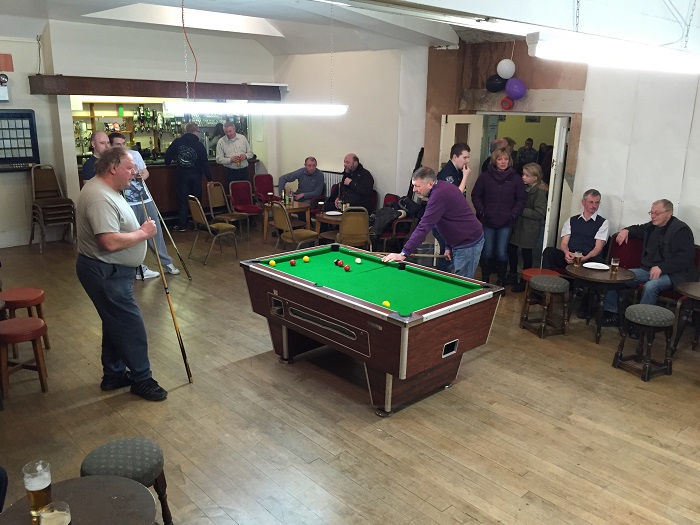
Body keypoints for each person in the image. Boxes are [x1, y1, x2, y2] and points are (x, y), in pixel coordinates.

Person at [75, 147, 168, 401]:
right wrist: (143, 234)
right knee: (130, 326)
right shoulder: (99, 197)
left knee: (114, 322)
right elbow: (108, 242)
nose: (135, 172)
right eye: (129, 168)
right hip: (105, 271)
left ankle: (114, 375)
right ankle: (142, 379)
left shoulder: (107, 190)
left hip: (111, 271)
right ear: (113, 168)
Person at [601, 199, 698, 328]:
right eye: (651, 212)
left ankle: (640, 325)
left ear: (669, 213)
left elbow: (685, 258)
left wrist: (662, 267)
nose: (653, 216)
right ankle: (612, 314)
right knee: (617, 276)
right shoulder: (652, 226)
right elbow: (638, 229)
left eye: (657, 213)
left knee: (651, 286)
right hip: (649, 270)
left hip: (675, 274)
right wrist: (626, 230)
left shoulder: (681, 230)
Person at [382, 167, 484, 278]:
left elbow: (424, 226)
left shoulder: (438, 195)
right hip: (460, 241)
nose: (414, 190)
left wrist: (403, 253)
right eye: (413, 185)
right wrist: (448, 246)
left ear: (430, 184)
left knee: (463, 282)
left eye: (417, 186)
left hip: (468, 242)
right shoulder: (441, 187)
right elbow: (449, 219)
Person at [109, 133, 179, 278]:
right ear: (111, 146)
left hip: (145, 198)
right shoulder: (111, 161)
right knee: (133, 235)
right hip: (126, 202)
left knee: (155, 231)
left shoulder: (134, 155)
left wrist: (142, 175)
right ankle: (138, 267)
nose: (122, 147)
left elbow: (146, 172)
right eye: (118, 144)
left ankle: (166, 262)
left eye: (123, 144)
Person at [471, 146, 527, 286]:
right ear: (494, 160)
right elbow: (476, 195)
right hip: (488, 220)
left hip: (506, 221)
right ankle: (485, 279)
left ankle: (501, 281)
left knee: (501, 252)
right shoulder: (485, 177)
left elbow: (521, 199)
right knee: (487, 251)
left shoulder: (515, 179)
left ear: (510, 161)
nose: (503, 162)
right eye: (500, 159)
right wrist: (482, 211)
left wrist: (513, 213)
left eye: (506, 159)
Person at [541, 189, 609, 270]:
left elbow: (598, 248)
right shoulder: (571, 220)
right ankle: (547, 277)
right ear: (583, 202)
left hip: (587, 258)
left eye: (597, 202)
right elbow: (564, 243)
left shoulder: (603, 222)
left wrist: (584, 258)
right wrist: (567, 253)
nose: (594, 205)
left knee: (598, 261)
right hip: (570, 255)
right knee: (549, 251)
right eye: (591, 202)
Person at [508, 163, 548, 292]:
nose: (523, 177)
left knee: (527, 254)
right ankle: (512, 274)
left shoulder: (540, 192)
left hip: (530, 228)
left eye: (526, 175)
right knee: (511, 249)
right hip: (519, 225)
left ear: (535, 177)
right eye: (523, 174)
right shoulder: (525, 188)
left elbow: (539, 212)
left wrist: (520, 210)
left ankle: (525, 281)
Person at [164, 121, 212, 231]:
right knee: (196, 201)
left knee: (183, 201)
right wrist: (209, 178)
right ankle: (198, 224)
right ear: (195, 132)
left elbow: (167, 158)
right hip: (196, 176)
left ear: (186, 131)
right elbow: (205, 163)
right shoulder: (199, 145)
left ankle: (182, 225)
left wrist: (170, 162)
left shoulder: (177, 142)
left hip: (182, 176)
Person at [434, 142, 471, 271]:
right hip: (442, 221)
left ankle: (442, 276)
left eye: (468, 157)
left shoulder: (457, 171)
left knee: (448, 254)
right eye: (465, 157)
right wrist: (465, 177)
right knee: (447, 255)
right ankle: (440, 278)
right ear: (455, 157)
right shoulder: (447, 174)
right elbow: (456, 196)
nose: (467, 161)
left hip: (451, 219)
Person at [216, 121, 254, 189]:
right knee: (231, 191)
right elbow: (218, 159)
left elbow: (250, 153)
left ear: (234, 129)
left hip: (244, 171)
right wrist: (230, 160)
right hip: (230, 172)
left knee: (245, 191)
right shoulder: (221, 142)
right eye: (226, 132)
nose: (228, 134)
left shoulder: (242, 138)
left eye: (230, 131)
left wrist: (245, 156)